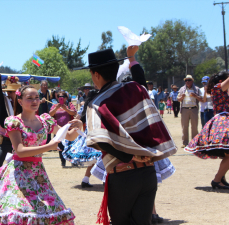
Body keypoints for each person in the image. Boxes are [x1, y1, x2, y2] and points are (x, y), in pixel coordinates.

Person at [0, 85, 83, 224]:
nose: (35, 101)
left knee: (50, 209)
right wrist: (48, 146)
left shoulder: (45, 120)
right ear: (20, 101)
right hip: (19, 173)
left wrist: (79, 124)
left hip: (39, 173)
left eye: (37, 97)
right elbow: (19, 150)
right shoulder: (14, 122)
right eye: (29, 98)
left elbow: (69, 136)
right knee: (21, 211)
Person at [74, 46, 176, 225]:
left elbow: (100, 139)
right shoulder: (136, 89)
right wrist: (132, 58)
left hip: (123, 176)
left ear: (95, 74)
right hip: (148, 173)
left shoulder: (97, 103)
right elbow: (141, 82)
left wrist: (129, 155)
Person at [185, 71, 229, 189]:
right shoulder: (217, 88)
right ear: (221, 81)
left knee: (228, 154)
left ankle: (220, 178)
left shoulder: (222, 90)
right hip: (223, 122)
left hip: (224, 121)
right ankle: (217, 180)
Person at [49, 90, 77, 167]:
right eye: (59, 97)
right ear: (57, 98)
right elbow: (50, 114)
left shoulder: (69, 104)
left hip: (69, 129)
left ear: (66, 98)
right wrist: (56, 108)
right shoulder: (54, 105)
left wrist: (66, 109)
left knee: (71, 146)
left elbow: (74, 113)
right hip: (59, 129)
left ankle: (73, 161)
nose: (61, 98)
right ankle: (63, 162)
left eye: (63, 97)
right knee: (60, 146)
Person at [177, 75, 203, 148]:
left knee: (194, 127)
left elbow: (201, 99)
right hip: (184, 109)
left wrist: (195, 96)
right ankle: (185, 143)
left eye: (189, 80)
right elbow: (178, 99)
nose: (187, 82)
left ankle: (194, 142)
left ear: (192, 81)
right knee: (184, 126)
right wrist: (181, 97)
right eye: (186, 80)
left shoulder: (197, 89)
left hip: (194, 109)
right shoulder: (182, 89)